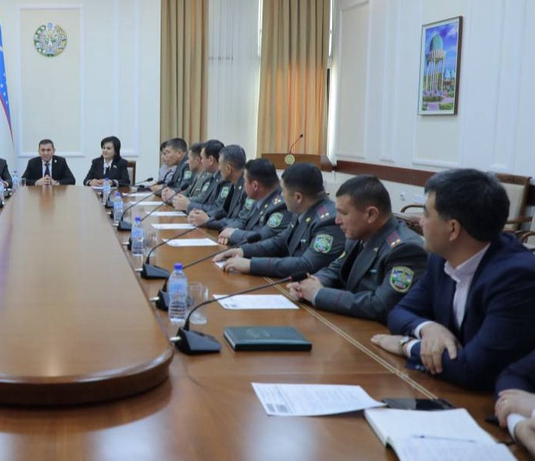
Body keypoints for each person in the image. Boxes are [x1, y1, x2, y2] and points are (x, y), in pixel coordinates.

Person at [372, 169, 535, 391]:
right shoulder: (441, 259)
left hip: (498, 399)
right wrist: (428, 328)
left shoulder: (516, 278)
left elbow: (473, 369)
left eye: (426, 214)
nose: (421, 222)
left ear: (453, 229)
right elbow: (399, 313)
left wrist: (406, 345)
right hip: (448, 387)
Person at [287, 175, 427, 323]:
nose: (337, 220)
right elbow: (335, 270)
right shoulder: (358, 235)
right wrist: (308, 284)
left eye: (344, 213)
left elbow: (380, 306)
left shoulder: (405, 250)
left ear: (371, 214)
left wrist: (318, 294)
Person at [215, 162, 344, 277]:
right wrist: (242, 251)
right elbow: (279, 242)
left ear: (298, 197)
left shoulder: (328, 221)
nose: (281, 195)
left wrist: (251, 265)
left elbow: (306, 265)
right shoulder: (302, 210)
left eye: (283, 191)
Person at [212, 158, 290, 246]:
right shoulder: (258, 196)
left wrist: (232, 234)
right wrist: (227, 231)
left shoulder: (281, 205)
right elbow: (243, 221)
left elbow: (263, 237)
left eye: (245, 181)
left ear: (255, 186)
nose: (244, 185)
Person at [186, 144, 247, 227]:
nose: (219, 168)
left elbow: (241, 222)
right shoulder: (234, 183)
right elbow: (223, 210)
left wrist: (208, 221)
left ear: (228, 168)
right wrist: (203, 215)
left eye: (220, 164)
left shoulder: (246, 189)